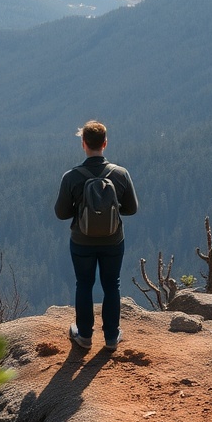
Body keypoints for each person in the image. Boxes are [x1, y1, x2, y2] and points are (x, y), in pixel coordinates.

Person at [54, 120, 138, 351]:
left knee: (84, 283)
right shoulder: (120, 174)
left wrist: (81, 212)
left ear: (84, 144)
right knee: (112, 285)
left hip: (81, 241)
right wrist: (109, 211)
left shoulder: (71, 177)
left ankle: (84, 336)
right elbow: (131, 209)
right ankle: (111, 338)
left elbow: (61, 213)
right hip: (113, 239)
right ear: (105, 143)